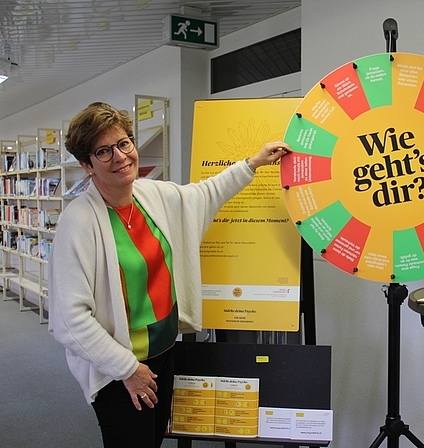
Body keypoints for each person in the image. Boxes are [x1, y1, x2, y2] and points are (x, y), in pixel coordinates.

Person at [47, 101, 291, 448]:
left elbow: (205, 194)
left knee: (154, 440)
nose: (119, 157)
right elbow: (69, 320)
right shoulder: (78, 222)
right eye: (103, 151)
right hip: (120, 371)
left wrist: (253, 163)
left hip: (164, 355)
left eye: (124, 143)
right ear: (87, 165)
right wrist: (127, 369)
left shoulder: (151, 195)